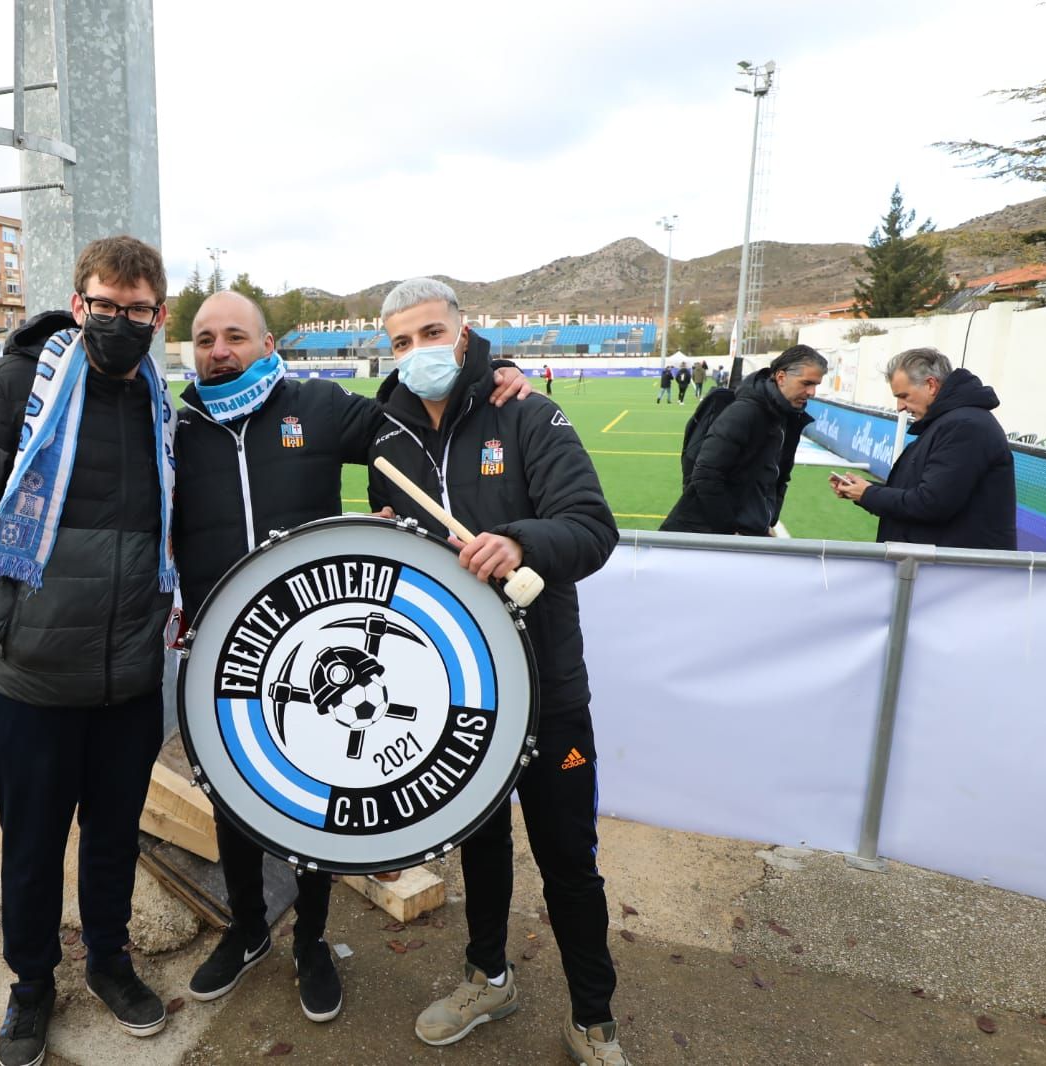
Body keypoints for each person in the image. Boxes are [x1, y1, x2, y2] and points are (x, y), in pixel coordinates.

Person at [174, 290, 532, 1024]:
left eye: (235, 336)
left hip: (310, 645)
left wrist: (495, 375)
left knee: (311, 802)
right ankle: (247, 931)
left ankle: (310, 941)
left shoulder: (319, 403)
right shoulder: (174, 425)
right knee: (232, 795)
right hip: (223, 653)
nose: (219, 350)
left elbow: (410, 429)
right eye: (205, 338)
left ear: (268, 343)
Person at [0, 236, 178, 1066]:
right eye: (107, 307)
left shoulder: (160, 403)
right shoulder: (13, 386)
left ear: (158, 316)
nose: (121, 323)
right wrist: (6, 623)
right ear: (80, 305)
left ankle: (109, 962)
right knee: (31, 847)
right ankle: (31, 986)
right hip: (29, 682)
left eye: (138, 311)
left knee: (114, 839)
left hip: (129, 683)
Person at [364, 278, 629, 1066]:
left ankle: (595, 1018)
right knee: (477, 846)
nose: (419, 352)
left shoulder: (527, 411)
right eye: (402, 342)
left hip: (546, 687)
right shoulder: (386, 436)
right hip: (455, 691)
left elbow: (591, 528)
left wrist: (516, 542)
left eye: (431, 332)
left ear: (465, 330)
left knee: (568, 862)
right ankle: (488, 977)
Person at [831, 347, 1016, 548]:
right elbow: (918, 494)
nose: (900, 407)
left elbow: (931, 504)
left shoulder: (965, 426)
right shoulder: (951, 422)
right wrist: (864, 490)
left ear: (931, 385)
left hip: (956, 573)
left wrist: (868, 494)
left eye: (904, 396)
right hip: (942, 569)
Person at [660, 344, 827, 536]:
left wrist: (768, 517)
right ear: (781, 377)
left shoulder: (788, 416)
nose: (812, 392)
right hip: (717, 535)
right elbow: (706, 474)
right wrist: (730, 530)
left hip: (751, 529)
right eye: (806, 383)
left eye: (816, 385)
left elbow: (780, 476)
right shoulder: (745, 412)